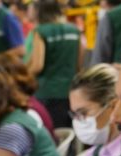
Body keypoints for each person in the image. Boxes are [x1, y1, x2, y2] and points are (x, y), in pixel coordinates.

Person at [26, 0, 81, 128]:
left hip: (47, 93)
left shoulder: (40, 32)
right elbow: (78, 65)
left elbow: (37, 65)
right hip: (71, 91)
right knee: (69, 134)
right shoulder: (74, 30)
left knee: (53, 135)